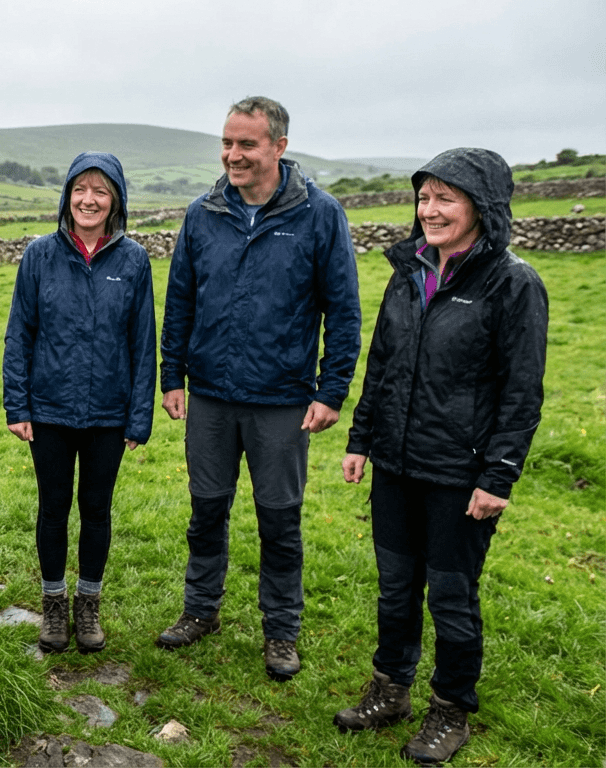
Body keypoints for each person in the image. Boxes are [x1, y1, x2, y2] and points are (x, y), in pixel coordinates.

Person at [335, 148, 547, 765]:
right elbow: (382, 365)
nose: (429, 210)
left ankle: (451, 709)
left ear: (481, 206)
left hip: (462, 475)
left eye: (445, 198)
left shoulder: (512, 283)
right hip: (397, 465)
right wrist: (361, 438)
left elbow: (522, 391)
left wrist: (499, 475)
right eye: (424, 198)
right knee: (395, 589)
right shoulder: (409, 271)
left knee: (451, 596)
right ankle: (390, 690)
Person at [156, 96, 361, 680]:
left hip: (282, 398)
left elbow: (342, 309)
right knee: (206, 512)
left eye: (247, 143)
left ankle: (281, 631)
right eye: (227, 142)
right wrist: (174, 375)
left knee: (279, 521)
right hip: (213, 396)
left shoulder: (319, 215)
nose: (233, 154)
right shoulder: (203, 213)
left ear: (279, 147)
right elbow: (181, 301)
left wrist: (331, 390)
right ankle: (200, 611)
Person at [3, 151, 157, 654]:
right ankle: (53, 605)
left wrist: (138, 417)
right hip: (48, 409)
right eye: (80, 190)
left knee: (96, 509)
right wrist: (17, 406)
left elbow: (143, 343)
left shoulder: (133, 260)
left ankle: (88, 606)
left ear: (116, 202)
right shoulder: (39, 255)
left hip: (109, 414)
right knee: (53, 508)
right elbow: (19, 335)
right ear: (67, 196)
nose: (88, 200)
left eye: (101, 191)